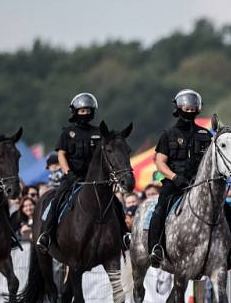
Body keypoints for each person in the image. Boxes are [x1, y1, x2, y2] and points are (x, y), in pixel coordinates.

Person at [36, 92, 130, 252]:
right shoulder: (67, 133)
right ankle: (47, 235)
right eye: (82, 111)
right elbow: (61, 155)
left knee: (116, 203)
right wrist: (68, 172)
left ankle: (124, 235)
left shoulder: (99, 132)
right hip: (72, 176)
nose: (85, 114)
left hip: (94, 179)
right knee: (57, 199)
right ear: (75, 112)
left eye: (88, 111)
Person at [147, 89, 211, 267]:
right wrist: (175, 178)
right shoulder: (169, 134)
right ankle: (156, 248)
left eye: (193, 108)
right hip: (174, 183)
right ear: (178, 108)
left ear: (198, 109)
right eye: (186, 108)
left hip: (200, 184)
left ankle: (229, 252)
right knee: (160, 209)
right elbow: (160, 162)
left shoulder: (205, 135)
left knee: (224, 208)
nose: (190, 112)